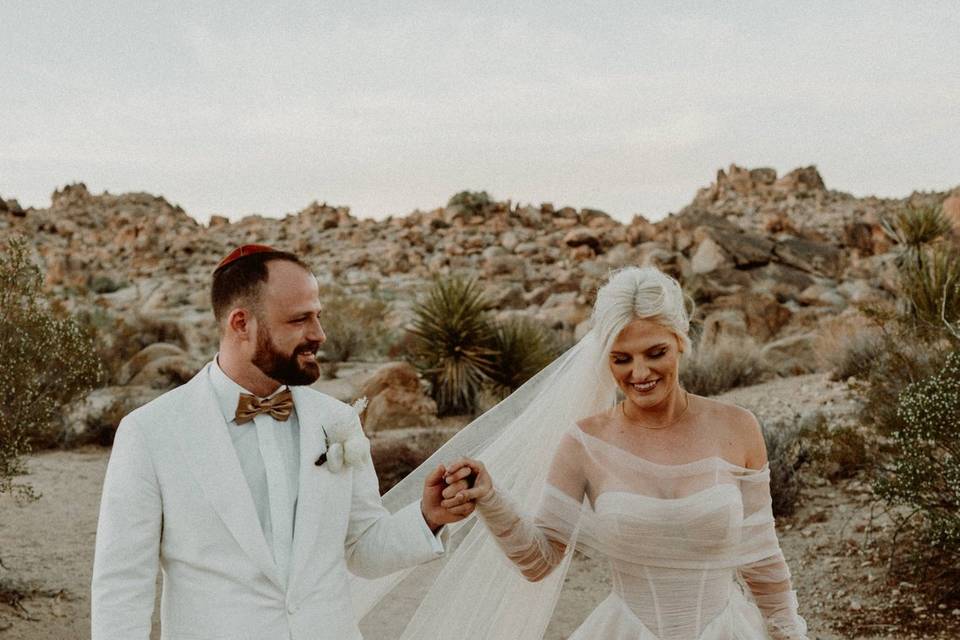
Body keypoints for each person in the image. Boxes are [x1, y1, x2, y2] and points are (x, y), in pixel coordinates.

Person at [360, 266, 808, 639]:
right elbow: (540, 561)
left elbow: (762, 559)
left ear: (681, 342)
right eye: (621, 359)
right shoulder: (586, 443)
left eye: (655, 352)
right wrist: (491, 501)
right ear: (605, 359)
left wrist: (788, 631)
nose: (640, 372)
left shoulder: (737, 427)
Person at [91, 244, 474, 640]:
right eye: (299, 320)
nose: (319, 334)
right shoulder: (151, 432)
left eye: (318, 316)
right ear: (241, 323)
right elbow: (122, 587)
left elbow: (361, 547)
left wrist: (429, 516)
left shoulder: (336, 420)